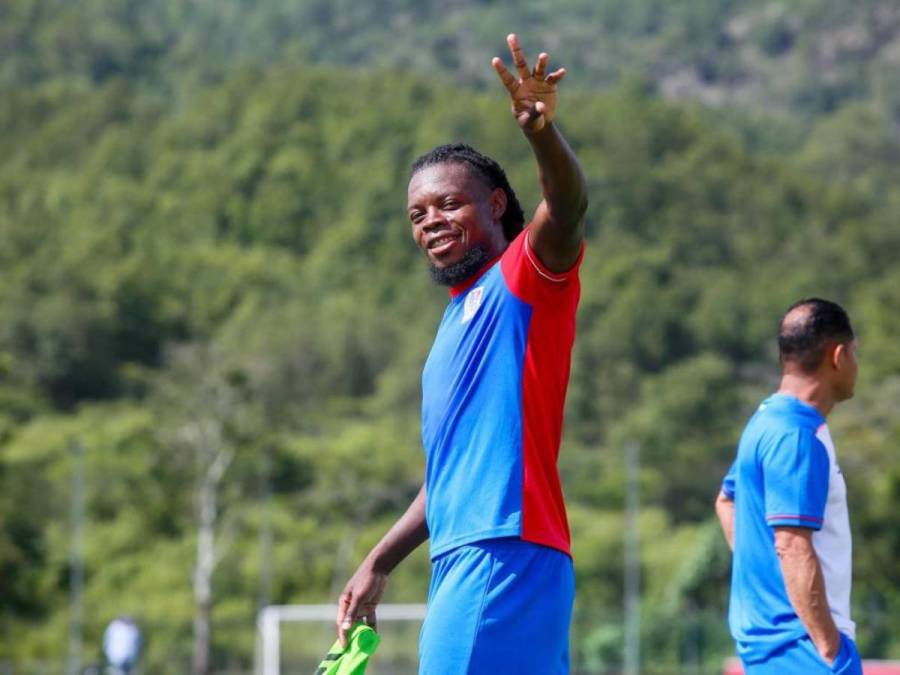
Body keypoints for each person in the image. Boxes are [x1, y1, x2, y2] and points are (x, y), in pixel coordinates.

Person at [335, 33, 587, 674]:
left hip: (500, 551)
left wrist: (540, 134)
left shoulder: (520, 278)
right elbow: (444, 482)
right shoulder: (453, 325)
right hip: (484, 552)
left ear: (495, 205)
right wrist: (378, 560)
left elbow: (567, 207)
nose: (431, 223)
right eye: (418, 215)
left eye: (449, 204)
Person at [715, 298, 862, 674]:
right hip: (804, 651)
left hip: (777, 649)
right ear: (839, 355)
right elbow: (792, 545)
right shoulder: (796, 435)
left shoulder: (765, 422)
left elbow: (726, 501)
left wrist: (764, 575)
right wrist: (830, 649)